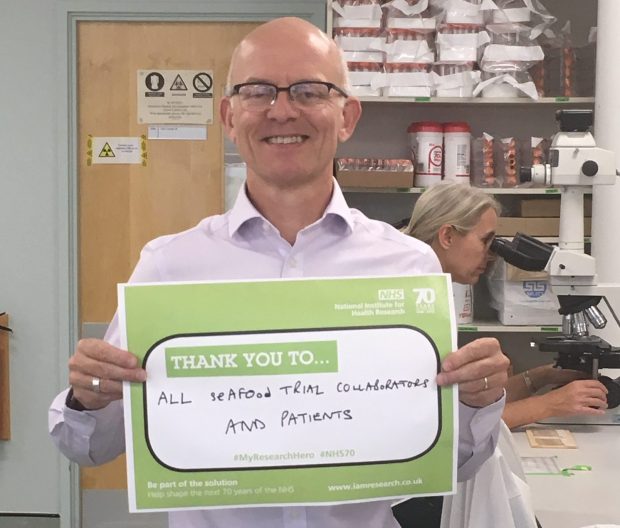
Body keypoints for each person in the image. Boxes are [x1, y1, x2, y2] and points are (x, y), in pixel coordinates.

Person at [49, 18, 509, 528]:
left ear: (347, 116)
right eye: (257, 91)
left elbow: (458, 460)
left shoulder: (407, 267)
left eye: (310, 91)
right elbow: (89, 447)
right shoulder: (168, 267)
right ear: (228, 115)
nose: (282, 110)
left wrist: (476, 400)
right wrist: (88, 397)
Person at [403, 181, 608, 430]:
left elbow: (466, 401)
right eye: (485, 241)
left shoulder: (424, 292)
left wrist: (539, 377)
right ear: (447, 236)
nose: (491, 255)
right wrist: (551, 404)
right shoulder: (408, 305)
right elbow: (448, 424)